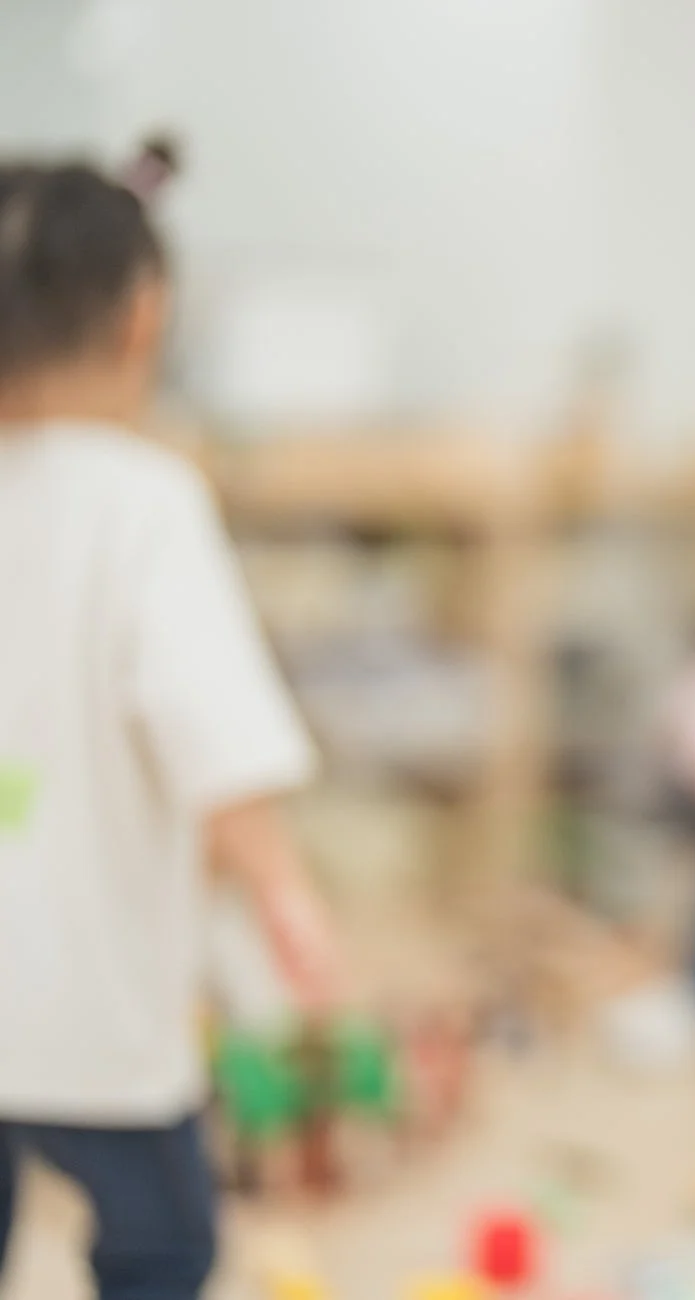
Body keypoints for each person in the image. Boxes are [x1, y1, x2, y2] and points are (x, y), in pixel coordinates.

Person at [0, 144, 340, 1298]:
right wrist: (286, 893)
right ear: (145, 318)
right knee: (160, 1242)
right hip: (87, 995)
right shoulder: (141, 502)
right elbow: (213, 730)